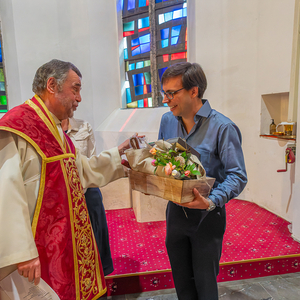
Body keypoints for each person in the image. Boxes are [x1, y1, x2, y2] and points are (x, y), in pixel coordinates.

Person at [0, 59, 132, 300]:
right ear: (52, 85)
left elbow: (81, 171)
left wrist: (118, 156)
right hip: (36, 251)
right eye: (76, 88)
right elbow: (6, 193)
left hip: (66, 241)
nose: (79, 98)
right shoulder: (17, 126)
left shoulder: (55, 129)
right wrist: (22, 252)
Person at [158, 62, 247, 300]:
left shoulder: (223, 127)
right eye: (164, 93)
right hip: (175, 212)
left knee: (205, 285)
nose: (166, 99)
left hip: (207, 216)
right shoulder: (167, 121)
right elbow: (161, 160)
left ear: (193, 91)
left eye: (172, 93)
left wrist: (210, 201)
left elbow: (238, 175)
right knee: (182, 282)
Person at [61, 117, 114, 276]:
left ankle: (98, 276)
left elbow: (91, 161)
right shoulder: (47, 130)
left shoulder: (84, 127)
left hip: (88, 190)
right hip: (64, 195)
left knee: (95, 237)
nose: (78, 99)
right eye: (74, 91)